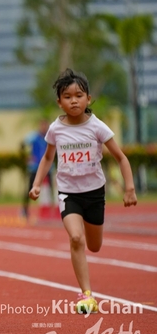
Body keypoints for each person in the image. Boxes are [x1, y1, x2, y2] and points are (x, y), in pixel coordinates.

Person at [29, 68, 137, 315]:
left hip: (94, 192)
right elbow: (48, 158)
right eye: (67, 97)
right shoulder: (56, 129)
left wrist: (129, 188)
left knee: (95, 246)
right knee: (76, 238)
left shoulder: (97, 127)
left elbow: (121, 158)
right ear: (59, 102)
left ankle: (88, 267)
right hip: (68, 193)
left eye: (79, 95)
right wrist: (36, 184)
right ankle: (86, 294)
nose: (74, 101)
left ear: (88, 98)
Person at [22, 119, 51, 220]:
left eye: (45, 125)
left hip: (47, 168)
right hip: (35, 167)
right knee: (30, 189)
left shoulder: (49, 137)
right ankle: (25, 210)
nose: (44, 127)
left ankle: (51, 211)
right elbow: (22, 145)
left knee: (51, 189)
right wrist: (27, 157)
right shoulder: (33, 137)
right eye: (42, 125)